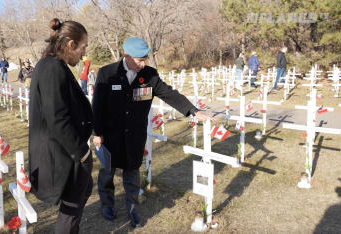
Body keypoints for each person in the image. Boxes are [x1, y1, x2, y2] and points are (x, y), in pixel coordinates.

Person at [92, 37, 214, 228]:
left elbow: (169, 94)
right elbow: (97, 106)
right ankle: (107, 205)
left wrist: (193, 111)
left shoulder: (149, 75)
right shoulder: (107, 73)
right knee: (107, 173)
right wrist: (97, 133)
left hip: (134, 137)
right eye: (139, 60)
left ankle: (132, 209)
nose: (143, 64)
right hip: (110, 136)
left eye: (145, 59)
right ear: (126, 56)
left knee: (132, 175)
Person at [28, 18, 93, 234]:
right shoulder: (52, 68)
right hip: (64, 154)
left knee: (83, 192)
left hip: (66, 152)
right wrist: (82, 153)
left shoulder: (52, 65)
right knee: (70, 213)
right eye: (82, 47)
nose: (83, 54)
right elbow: (57, 118)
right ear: (70, 44)